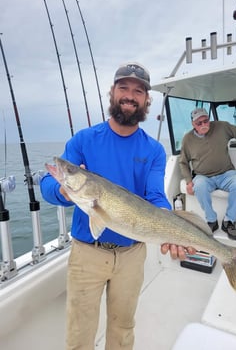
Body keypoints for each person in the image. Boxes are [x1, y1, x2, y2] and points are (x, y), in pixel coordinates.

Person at [40, 62, 194, 350]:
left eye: (138, 91)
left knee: (123, 330)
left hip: (132, 256)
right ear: (112, 92)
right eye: (123, 87)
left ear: (147, 100)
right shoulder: (84, 140)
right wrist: (65, 186)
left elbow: (155, 195)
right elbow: (47, 187)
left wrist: (172, 227)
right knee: (79, 334)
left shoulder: (153, 150)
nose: (130, 95)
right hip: (87, 255)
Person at [179, 107, 236, 241]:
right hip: (203, 176)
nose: (203, 125)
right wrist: (189, 181)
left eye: (206, 121)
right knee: (198, 186)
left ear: (209, 119)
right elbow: (183, 162)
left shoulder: (221, 127)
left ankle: (229, 221)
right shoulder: (187, 139)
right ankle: (212, 220)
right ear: (193, 124)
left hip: (226, 174)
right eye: (199, 123)